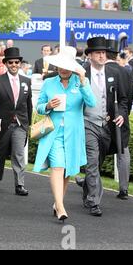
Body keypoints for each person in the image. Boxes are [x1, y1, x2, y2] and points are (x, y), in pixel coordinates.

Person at [33, 46, 96, 222]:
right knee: (58, 166)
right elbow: (38, 106)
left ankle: (57, 202)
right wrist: (47, 106)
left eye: (67, 66)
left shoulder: (81, 81)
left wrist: (83, 81)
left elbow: (91, 102)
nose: (63, 69)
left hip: (73, 134)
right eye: (60, 65)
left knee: (68, 171)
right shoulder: (48, 83)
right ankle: (60, 207)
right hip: (53, 133)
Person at [81, 36, 128, 216]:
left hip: (106, 125)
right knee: (92, 160)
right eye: (98, 53)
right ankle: (94, 201)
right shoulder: (82, 72)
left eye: (103, 52)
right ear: (90, 55)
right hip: (87, 123)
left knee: (97, 164)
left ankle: (87, 191)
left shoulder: (114, 74)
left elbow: (123, 99)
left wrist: (122, 115)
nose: (102, 56)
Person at [0, 47, 32, 195]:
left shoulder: (27, 81)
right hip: (2, 123)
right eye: (11, 62)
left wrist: (28, 125)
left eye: (16, 62)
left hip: (20, 124)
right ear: (6, 63)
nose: (14, 65)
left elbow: (29, 105)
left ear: (20, 63)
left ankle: (20, 184)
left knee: (19, 154)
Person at [105, 39, 133, 200]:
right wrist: (125, 114)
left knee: (96, 151)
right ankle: (124, 188)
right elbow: (129, 97)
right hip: (121, 114)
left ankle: (89, 182)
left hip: (103, 115)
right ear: (116, 54)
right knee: (123, 150)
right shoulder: (126, 71)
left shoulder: (101, 70)